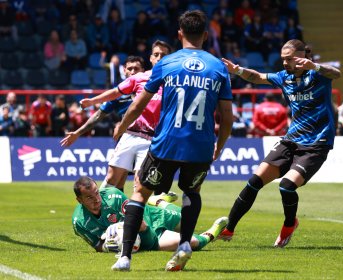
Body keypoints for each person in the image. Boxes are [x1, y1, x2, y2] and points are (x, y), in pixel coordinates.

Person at [111, 10, 233, 272]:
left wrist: (122, 126)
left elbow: (138, 104)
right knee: (192, 192)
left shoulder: (166, 63)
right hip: (200, 145)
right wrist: (219, 146)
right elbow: (227, 116)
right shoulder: (219, 67)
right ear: (205, 35)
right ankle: (185, 244)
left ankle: (125, 257)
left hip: (166, 142)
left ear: (179, 34)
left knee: (140, 193)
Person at [219, 39, 341, 248]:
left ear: (303, 56)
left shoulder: (318, 74)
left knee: (286, 186)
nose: (284, 63)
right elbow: (257, 77)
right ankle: (229, 229)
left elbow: (336, 73)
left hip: (316, 144)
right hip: (291, 140)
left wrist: (315, 66)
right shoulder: (284, 77)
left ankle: (289, 224)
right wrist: (237, 70)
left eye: (289, 59)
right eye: (283, 59)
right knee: (254, 181)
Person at [78, 41, 171, 193]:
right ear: (151, 58)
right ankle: (102, 214)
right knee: (111, 180)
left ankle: (138, 214)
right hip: (130, 135)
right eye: (156, 54)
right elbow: (115, 92)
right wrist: (93, 101)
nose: (159, 58)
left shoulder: (175, 82)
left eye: (163, 55)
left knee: (140, 185)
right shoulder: (140, 78)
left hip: (154, 139)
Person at [72, 176, 227, 254]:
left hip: (151, 216)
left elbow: (139, 220)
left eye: (97, 193)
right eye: (90, 198)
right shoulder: (79, 222)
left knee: (188, 217)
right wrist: (109, 246)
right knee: (192, 242)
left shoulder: (114, 196)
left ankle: (157, 201)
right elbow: (97, 245)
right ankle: (212, 233)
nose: (97, 200)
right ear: (79, 200)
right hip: (149, 238)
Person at [60, 55, 146, 191]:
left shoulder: (152, 90)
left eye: (137, 68)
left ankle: (139, 210)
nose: (133, 71)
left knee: (141, 183)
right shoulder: (119, 93)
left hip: (149, 137)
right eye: (130, 68)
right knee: (116, 182)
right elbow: (99, 114)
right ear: (124, 71)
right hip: (126, 137)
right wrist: (78, 132)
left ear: (144, 71)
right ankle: (116, 211)